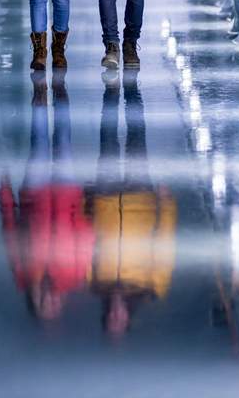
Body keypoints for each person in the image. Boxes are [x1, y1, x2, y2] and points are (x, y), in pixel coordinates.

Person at [0, 73, 93, 321]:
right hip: (67, 196)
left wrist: (5, 194)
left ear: (33, 301)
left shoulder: (22, 272)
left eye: (43, 304)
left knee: (39, 143)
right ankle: (60, 95)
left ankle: (40, 95)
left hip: (34, 195)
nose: (50, 299)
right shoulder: (75, 277)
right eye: (53, 305)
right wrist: (81, 210)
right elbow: (86, 238)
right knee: (62, 142)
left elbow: (11, 230)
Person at [87, 76, 177, 336]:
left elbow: (85, 244)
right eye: (119, 320)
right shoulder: (151, 286)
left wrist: (86, 201)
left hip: (104, 198)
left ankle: (114, 89)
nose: (115, 314)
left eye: (110, 319)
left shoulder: (94, 284)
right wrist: (167, 205)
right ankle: (132, 90)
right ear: (128, 318)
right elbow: (165, 246)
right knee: (137, 137)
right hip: (141, 204)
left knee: (107, 135)